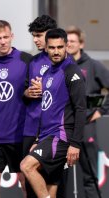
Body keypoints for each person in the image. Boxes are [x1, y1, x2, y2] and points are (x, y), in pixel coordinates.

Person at [21, 28, 86, 198]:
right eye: (52, 48)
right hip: (46, 136)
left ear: (66, 46)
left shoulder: (72, 72)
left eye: (60, 47)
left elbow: (80, 109)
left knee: (27, 166)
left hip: (61, 136)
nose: (56, 51)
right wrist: (37, 139)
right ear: (46, 48)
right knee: (51, 186)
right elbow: (47, 108)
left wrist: (75, 144)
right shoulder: (48, 72)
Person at [0, 20, 32, 198]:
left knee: (26, 182)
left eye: (5, 37)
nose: (2, 41)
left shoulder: (26, 61)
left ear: (12, 36)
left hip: (20, 135)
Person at [66, 25, 109, 198]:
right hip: (64, 127)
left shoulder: (93, 65)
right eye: (66, 41)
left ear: (81, 44)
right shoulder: (61, 65)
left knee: (89, 175)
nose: (69, 44)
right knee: (59, 177)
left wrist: (101, 110)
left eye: (73, 41)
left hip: (86, 127)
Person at [23, 15, 57, 198]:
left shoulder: (63, 61)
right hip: (30, 128)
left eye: (38, 35)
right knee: (29, 184)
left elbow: (72, 96)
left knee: (52, 180)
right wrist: (29, 92)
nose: (35, 40)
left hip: (52, 130)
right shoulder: (33, 61)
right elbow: (24, 92)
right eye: (33, 36)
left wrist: (48, 87)